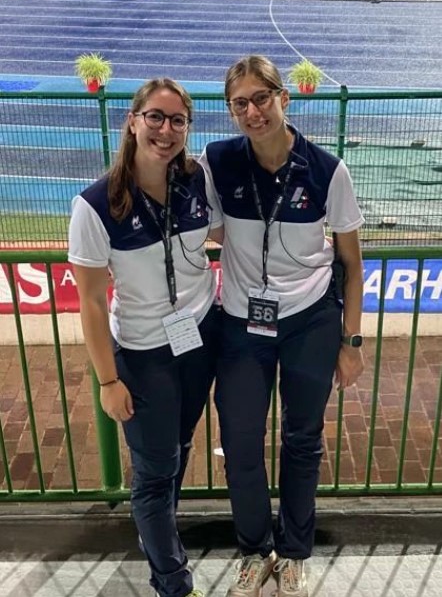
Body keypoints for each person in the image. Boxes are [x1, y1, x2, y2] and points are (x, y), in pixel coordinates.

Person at [199, 56, 365, 597]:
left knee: (302, 439)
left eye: (261, 98)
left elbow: (352, 263)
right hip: (242, 323)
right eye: (240, 104)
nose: (253, 112)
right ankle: (255, 550)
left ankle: (294, 551)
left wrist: (351, 341)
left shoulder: (327, 170)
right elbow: (205, 226)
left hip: (311, 322)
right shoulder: (217, 160)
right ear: (231, 111)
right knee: (240, 440)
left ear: (283, 98)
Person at [68, 78, 223, 597]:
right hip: (142, 353)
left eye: (178, 120)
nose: (166, 129)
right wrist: (107, 381)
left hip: (199, 337)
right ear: (132, 121)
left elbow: (223, 233)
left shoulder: (197, 181)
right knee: (155, 473)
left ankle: (158, 531)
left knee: (178, 446)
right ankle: (173, 582)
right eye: (155, 116)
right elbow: (91, 303)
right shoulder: (95, 205)